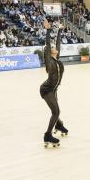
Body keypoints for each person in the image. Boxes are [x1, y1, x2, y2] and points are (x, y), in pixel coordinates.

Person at [40, 20, 68, 148]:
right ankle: (47, 135)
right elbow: (48, 44)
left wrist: (60, 30)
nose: (55, 48)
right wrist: (48, 30)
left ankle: (59, 125)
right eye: (52, 48)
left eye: (55, 48)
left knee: (55, 110)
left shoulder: (57, 59)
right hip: (47, 89)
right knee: (56, 112)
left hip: (54, 89)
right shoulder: (49, 60)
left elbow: (57, 43)